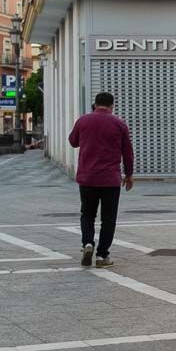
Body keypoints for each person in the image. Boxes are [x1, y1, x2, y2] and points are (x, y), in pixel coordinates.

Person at [68, 92, 134, 268]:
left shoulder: (83, 121)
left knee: (87, 215)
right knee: (108, 218)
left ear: (95, 104)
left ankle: (87, 243)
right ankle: (102, 256)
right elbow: (127, 152)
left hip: (87, 178)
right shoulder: (119, 124)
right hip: (110, 180)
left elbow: (73, 141)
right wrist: (129, 174)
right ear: (112, 105)